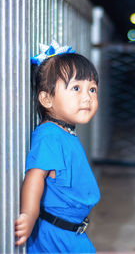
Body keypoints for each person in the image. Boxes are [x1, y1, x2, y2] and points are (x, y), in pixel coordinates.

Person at [14, 41, 101, 253]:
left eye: (92, 89)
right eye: (76, 88)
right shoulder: (49, 135)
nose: (87, 97)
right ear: (46, 98)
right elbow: (35, 176)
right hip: (56, 235)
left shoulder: (65, 132)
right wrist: (28, 214)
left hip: (70, 232)